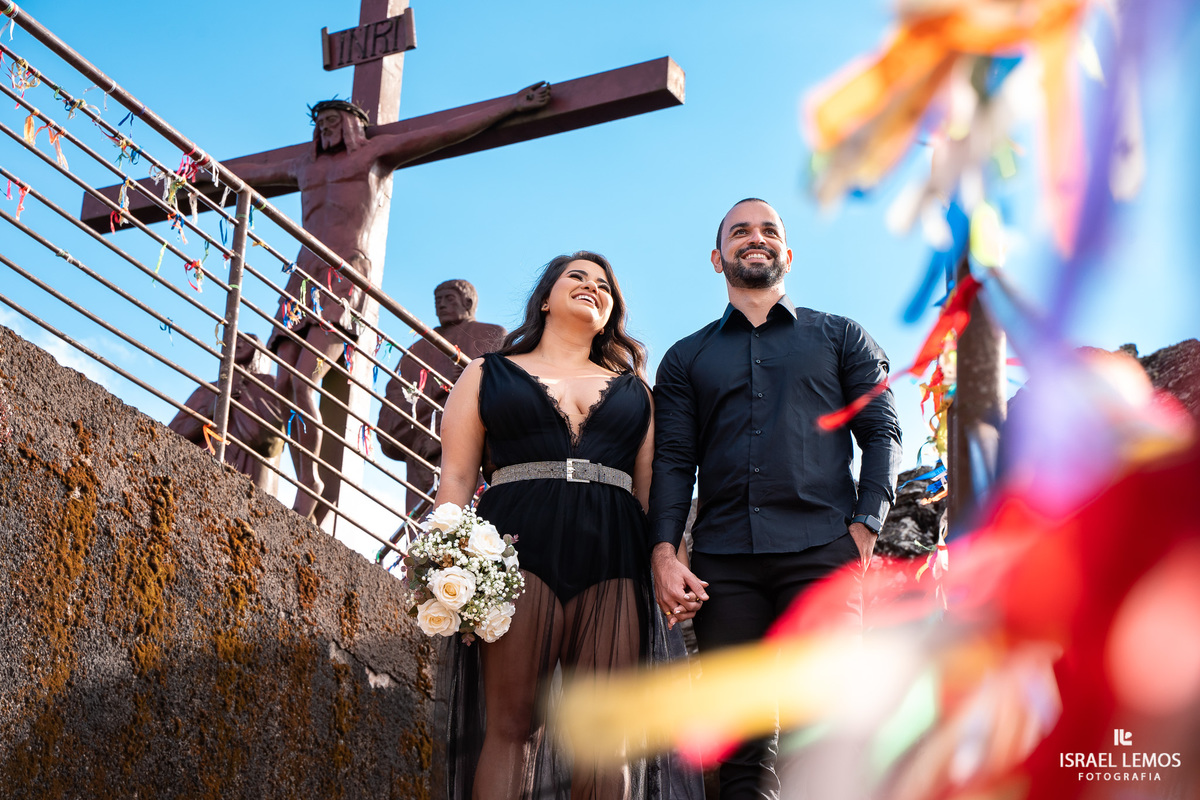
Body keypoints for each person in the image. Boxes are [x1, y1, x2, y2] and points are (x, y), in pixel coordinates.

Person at [649, 198, 903, 799]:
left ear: (787, 255)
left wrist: (866, 525)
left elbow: (882, 433)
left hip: (823, 552)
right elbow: (674, 461)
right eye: (739, 232)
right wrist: (664, 551)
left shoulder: (842, 336)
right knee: (740, 743)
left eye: (768, 231)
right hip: (724, 564)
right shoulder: (685, 359)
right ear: (718, 258)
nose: (754, 238)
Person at [432, 252, 697, 800]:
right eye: (577, 276)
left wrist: (669, 564)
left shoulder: (636, 392)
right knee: (513, 725)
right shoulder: (487, 373)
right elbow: (457, 476)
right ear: (546, 297)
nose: (593, 288)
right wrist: (446, 561)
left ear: (611, 311)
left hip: (615, 560)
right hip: (514, 554)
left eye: (605, 286)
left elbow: (650, 496)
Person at [237, 83, 551, 518]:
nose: (326, 130)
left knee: (307, 378)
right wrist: (191, 167)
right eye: (320, 123)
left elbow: (443, 132)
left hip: (345, 269)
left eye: (334, 122)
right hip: (302, 276)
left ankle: (314, 482)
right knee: (287, 381)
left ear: (351, 125)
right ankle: (305, 472)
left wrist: (509, 105)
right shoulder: (303, 166)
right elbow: (251, 169)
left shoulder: (370, 155)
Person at [377, 279, 506, 515]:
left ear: (467, 302)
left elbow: (505, 392)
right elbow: (393, 403)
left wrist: (468, 379)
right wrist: (437, 391)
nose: (441, 305)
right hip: (421, 453)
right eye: (438, 300)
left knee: (474, 523)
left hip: (475, 451)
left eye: (449, 298)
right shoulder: (416, 351)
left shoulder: (491, 334)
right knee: (422, 527)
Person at [168, 333, 286, 489]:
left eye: (247, 342)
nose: (238, 344)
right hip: (199, 476)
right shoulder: (206, 390)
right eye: (236, 340)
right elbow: (172, 432)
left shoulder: (270, 384)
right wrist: (208, 413)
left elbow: (270, 440)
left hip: (250, 480)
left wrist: (241, 395)